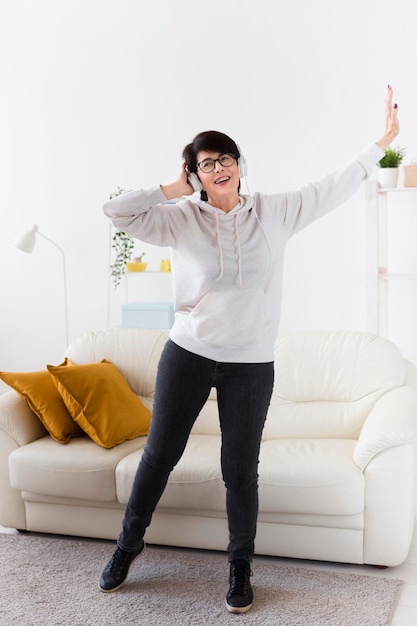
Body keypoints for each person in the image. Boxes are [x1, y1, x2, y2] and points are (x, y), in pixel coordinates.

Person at [99, 86, 399, 614]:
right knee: (159, 456)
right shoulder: (179, 217)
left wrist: (382, 143)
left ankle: (239, 567)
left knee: (239, 470)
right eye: (205, 162)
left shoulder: (275, 213)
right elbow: (115, 211)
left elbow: (333, 186)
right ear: (194, 173)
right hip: (188, 353)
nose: (219, 168)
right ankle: (127, 547)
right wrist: (172, 186)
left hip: (250, 364)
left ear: (240, 164)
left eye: (226, 158)